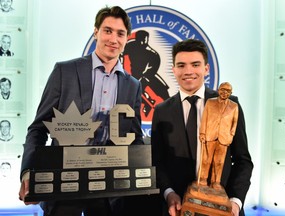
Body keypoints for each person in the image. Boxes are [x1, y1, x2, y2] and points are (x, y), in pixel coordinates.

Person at [18, 6, 143, 216]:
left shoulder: (133, 85)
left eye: (120, 33)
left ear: (126, 39)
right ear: (96, 32)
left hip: (108, 193)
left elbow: (135, 139)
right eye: (107, 31)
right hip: (63, 186)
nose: (113, 39)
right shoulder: (64, 71)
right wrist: (28, 172)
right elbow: (38, 129)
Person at [151, 39, 253, 216]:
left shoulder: (230, 104)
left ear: (206, 68)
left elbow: (243, 160)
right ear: (174, 70)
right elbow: (157, 162)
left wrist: (235, 202)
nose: (188, 71)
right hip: (179, 208)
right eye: (181, 65)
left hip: (222, 209)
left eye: (195, 64)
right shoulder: (161, 111)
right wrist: (168, 193)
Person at [198, 82, 239, 190]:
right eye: (222, 89)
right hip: (210, 135)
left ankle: (216, 181)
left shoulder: (234, 106)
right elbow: (205, 118)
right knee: (206, 159)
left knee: (219, 162)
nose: (224, 92)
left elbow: (235, 122)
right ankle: (202, 178)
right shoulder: (210, 102)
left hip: (224, 138)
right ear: (218, 90)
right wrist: (202, 132)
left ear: (231, 93)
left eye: (228, 91)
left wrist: (231, 135)